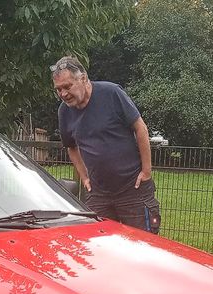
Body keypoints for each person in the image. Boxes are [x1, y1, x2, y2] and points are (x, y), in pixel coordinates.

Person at [51, 56, 161, 233]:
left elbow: (140, 128)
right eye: (58, 89)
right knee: (98, 247)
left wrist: (146, 171)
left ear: (83, 78)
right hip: (99, 193)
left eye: (67, 86)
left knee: (143, 248)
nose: (63, 94)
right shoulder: (64, 112)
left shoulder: (111, 93)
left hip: (133, 189)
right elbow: (71, 146)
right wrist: (85, 177)